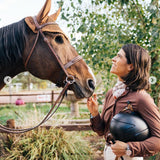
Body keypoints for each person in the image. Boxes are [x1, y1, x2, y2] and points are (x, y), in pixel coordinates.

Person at [87, 44, 160, 160]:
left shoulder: (142, 98)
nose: (113, 59)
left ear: (131, 66)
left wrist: (128, 148)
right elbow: (101, 131)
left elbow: (158, 140)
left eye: (119, 56)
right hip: (108, 152)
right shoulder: (111, 93)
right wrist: (94, 113)